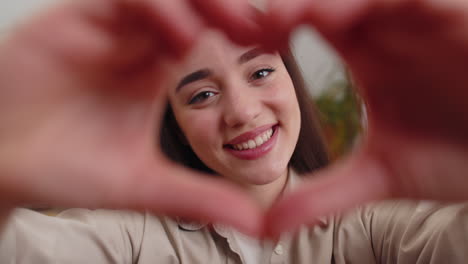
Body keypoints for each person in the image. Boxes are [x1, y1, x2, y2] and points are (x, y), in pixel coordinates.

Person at [1, 0, 468, 263]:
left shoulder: (369, 225)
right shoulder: (135, 239)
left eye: (260, 73)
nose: (242, 112)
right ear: (177, 127)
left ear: (292, 81)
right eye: (201, 95)